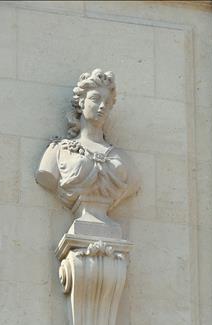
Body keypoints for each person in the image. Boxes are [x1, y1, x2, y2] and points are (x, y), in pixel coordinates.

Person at [36, 69, 138, 238]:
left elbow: (134, 183)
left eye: (107, 101)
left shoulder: (122, 158)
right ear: (81, 102)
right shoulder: (58, 150)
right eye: (95, 99)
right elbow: (46, 175)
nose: (102, 106)